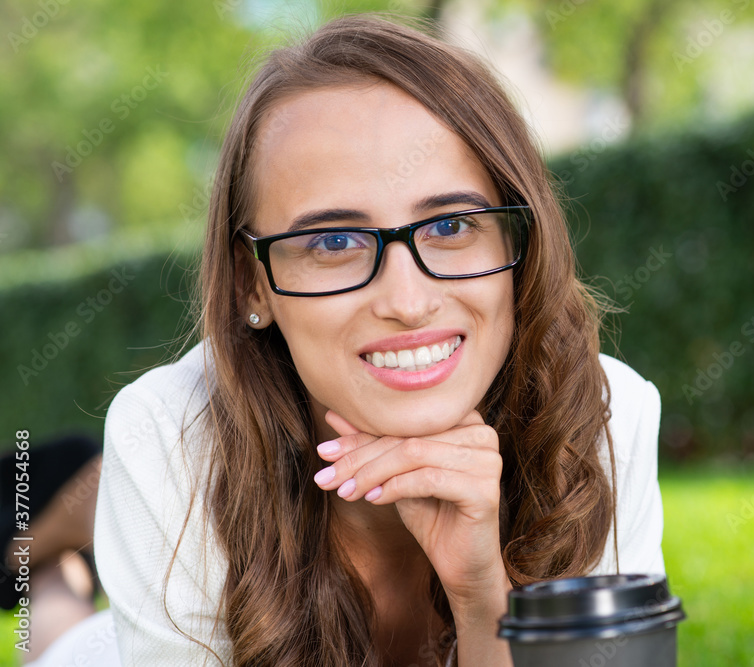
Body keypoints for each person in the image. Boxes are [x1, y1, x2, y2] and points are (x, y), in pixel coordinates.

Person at [19, 13, 665, 667]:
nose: (408, 302)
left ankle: (59, 558)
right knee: (62, 636)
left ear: (517, 242)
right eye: (334, 241)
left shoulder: (605, 423)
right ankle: (53, 572)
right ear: (252, 286)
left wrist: (482, 602)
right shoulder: (166, 435)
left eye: (452, 225)